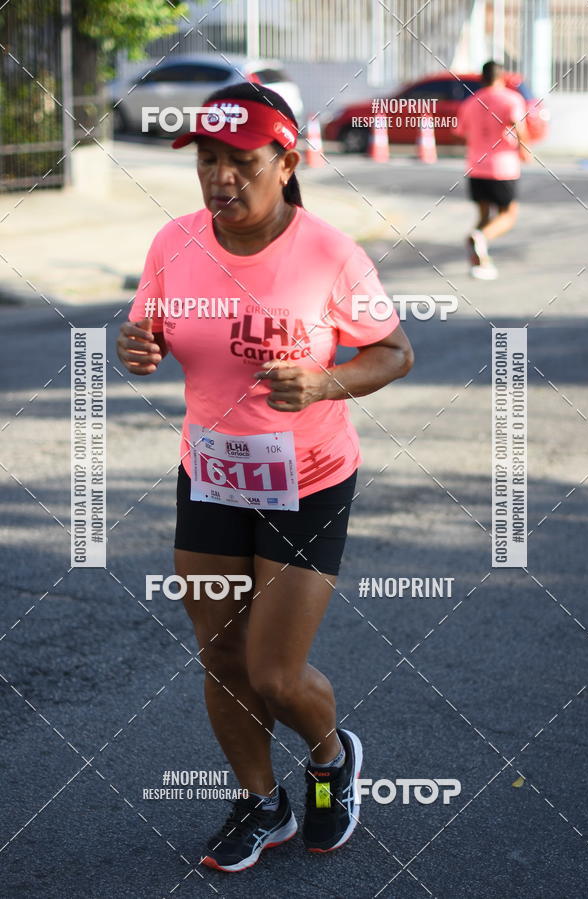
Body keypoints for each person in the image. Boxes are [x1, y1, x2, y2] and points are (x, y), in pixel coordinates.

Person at [116, 82, 414, 873]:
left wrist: (325, 382)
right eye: (208, 160)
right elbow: (149, 328)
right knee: (220, 655)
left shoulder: (326, 251)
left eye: (240, 161)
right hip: (211, 475)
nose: (221, 177)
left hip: (307, 480)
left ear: (285, 161)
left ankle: (328, 759)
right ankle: (259, 802)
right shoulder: (175, 241)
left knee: (274, 673)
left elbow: (394, 352)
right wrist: (137, 347)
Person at [455, 60, 531, 280]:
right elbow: (520, 126)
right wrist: (524, 150)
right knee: (508, 215)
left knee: (484, 215)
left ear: (482, 78)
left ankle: (481, 259)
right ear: (502, 77)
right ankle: (480, 238)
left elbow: (460, 132)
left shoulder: (470, 102)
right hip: (502, 167)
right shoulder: (511, 99)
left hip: (476, 167)